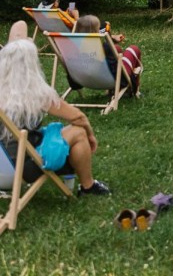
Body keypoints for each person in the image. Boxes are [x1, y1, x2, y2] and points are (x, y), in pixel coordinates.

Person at [0, 35, 110, 196]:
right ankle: (88, 186)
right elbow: (78, 117)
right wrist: (91, 135)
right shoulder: (35, 94)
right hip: (22, 169)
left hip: (2, 170)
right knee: (79, 132)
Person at [73, 15, 143, 94]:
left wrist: (111, 37)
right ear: (95, 32)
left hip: (87, 80)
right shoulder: (105, 48)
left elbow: (73, 82)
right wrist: (132, 77)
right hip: (113, 80)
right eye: (98, 28)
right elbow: (116, 74)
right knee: (133, 48)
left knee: (116, 48)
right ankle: (134, 89)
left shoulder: (74, 51)